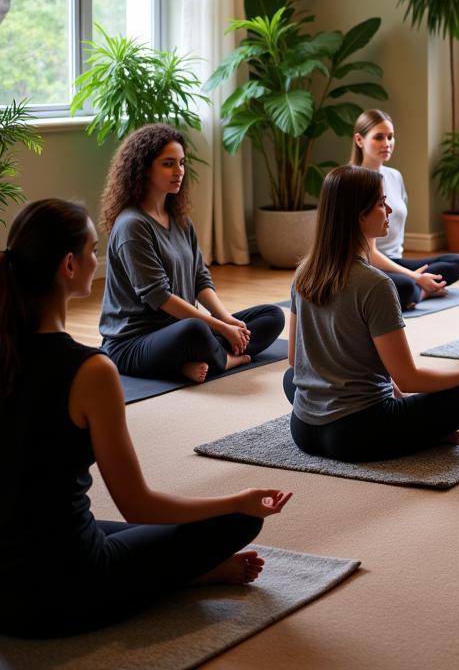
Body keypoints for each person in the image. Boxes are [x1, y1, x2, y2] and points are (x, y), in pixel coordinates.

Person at [0, 199, 291, 638]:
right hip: (61, 594)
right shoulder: (91, 370)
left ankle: (182, 570)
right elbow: (138, 505)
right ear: (69, 266)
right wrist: (236, 500)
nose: (98, 260)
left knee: (88, 529)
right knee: (240, 521)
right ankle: (180, 574)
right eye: (94, 251)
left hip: (4, 589)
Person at [282, 164, 459, 461]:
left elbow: (294, 360)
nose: (389, 209)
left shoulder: (304, 272)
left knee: (293, 379)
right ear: (358, 214)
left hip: (303, 429)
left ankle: (416, 430)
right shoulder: (375, 284)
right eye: (380, 203)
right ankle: (424, 435)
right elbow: (408, 380)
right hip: (357, 434)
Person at [97, 124, 284, 383]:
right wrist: (219, 328)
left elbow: (200, 278)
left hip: (176, 331)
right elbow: (159, 296)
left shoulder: (180, 219)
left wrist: (227, 320)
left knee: (271, 316)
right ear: (143, 168)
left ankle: (192, 361)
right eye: (168, 164)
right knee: (196, 329)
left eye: (182, 163)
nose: (179, 171)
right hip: (132, 342)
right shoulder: (132, 225)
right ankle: (224, 360)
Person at [351, 109, 459, 310]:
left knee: (458, 262)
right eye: (379, 137)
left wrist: (412, 273)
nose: (387, 143)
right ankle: (422, 292)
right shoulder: (354, 181)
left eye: (390, 137)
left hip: (395, 261)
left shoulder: (394, 176)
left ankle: (417, 291)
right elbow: (367, 253)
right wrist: (415, 277)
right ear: (359, 140)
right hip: (367, 265)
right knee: (406, 286)